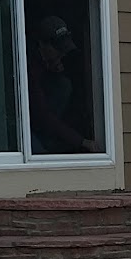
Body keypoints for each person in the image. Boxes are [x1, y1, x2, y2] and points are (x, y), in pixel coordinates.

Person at [28, 16, 99, 155]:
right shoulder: (28, 68)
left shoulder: (52, 61)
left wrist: (52, 70)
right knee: (39, 155)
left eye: (64, 50)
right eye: (58, 49)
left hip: (45, 118)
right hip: (26, 124)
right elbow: (41, 113)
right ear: (42, 44)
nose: (62, 54)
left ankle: (50, 138)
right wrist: (81, 141)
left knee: (63, 85)